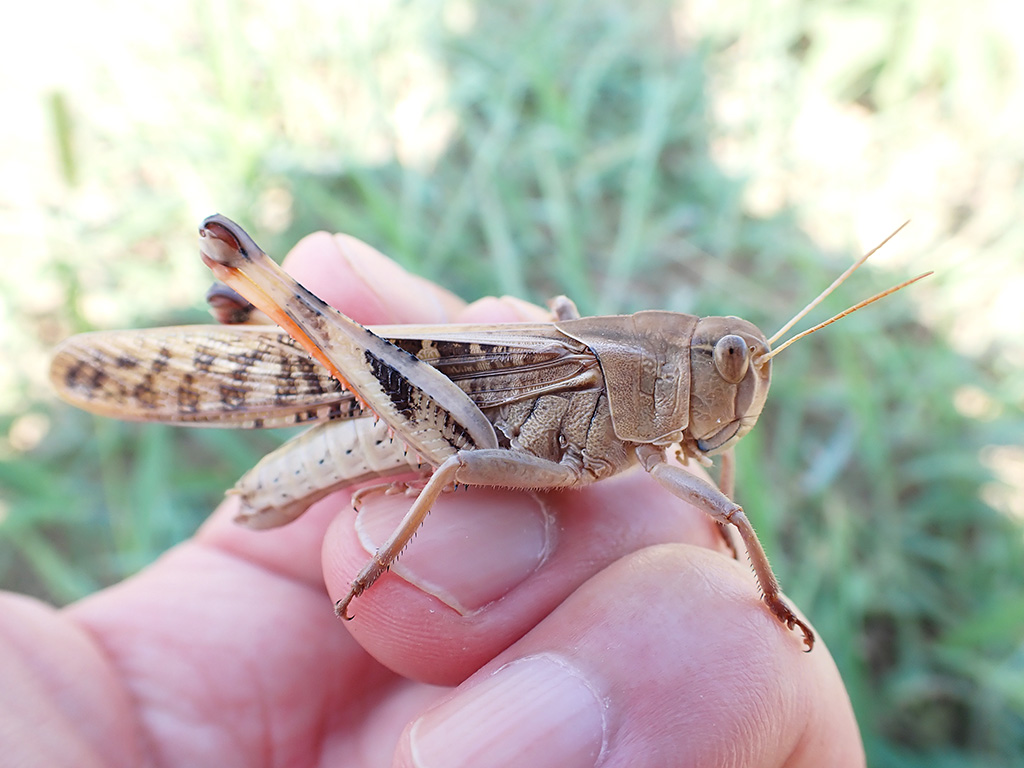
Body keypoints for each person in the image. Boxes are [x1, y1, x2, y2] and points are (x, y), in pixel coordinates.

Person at [0, 229, 864, 767]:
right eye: (726, 359)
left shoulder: (661, 441)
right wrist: (381, 567)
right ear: (681, 362)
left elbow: (723, 502)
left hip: (435, 426)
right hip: (422, 422)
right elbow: (456, 466)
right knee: (459, 470)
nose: (741, 385)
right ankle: (261, 291)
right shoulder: (603, 376)